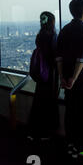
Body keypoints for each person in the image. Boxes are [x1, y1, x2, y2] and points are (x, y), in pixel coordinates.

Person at [56, 0, 83, 158]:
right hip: (82, 81)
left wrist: (63, 78)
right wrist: (74, 78)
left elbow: (58, 57)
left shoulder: (64, 30)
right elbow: (82, 58)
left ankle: (70, 145)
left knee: (70, 113)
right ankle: (81, 149)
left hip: (66, 79)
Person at [28, 11, 59, 141]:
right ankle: (45, 132)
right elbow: (54, 56)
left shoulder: (40, 35)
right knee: (49, 102)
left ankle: (34, 131)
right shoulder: (52, 36)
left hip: (41, 74)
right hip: (50, 74)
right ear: (52, 21)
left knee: (39, 101)